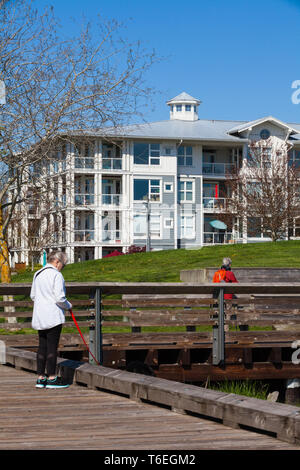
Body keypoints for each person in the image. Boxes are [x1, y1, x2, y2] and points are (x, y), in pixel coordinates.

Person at [30, 251, 72, 389]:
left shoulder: (38, 274)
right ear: (57, 262)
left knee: (42, 346)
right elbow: (60, 298)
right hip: (53, 316)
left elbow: (33, 296)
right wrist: (68, 306)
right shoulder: (56, 275)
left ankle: (41, 378)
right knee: (52, 347)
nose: (62, 267)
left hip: (40, 316)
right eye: (63, 265)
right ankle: (52, 378)